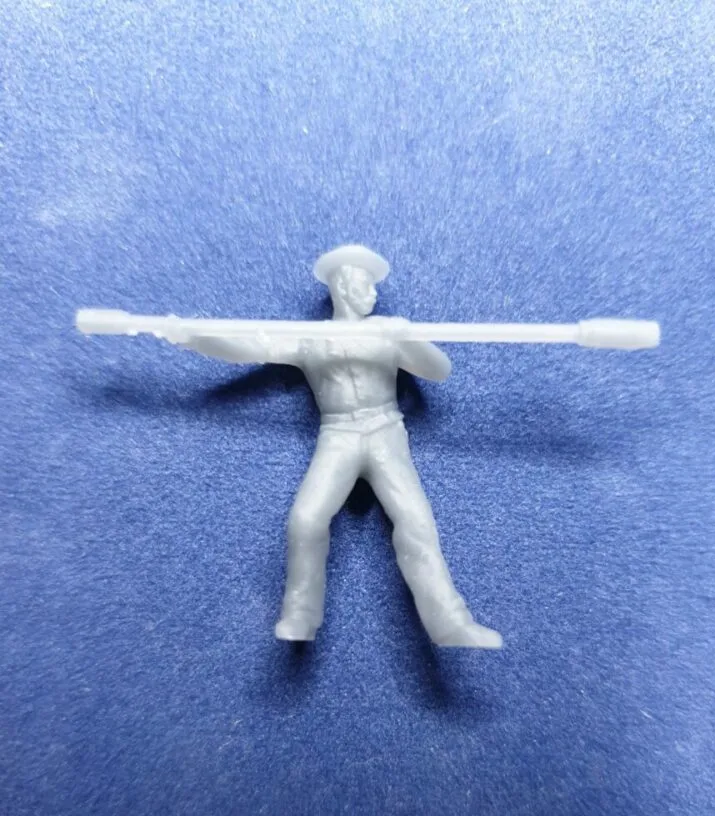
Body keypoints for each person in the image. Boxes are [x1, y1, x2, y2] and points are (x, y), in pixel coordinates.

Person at [176, 245, 501, 648]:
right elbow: (250, 348)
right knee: (305, 519)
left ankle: (451, 624)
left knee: (416, 522)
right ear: (343, 288)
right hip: (338, 434)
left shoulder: (386, 331)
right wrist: (194, 337)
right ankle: (300, 614)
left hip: (385, 429)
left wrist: (409, 338)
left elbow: (439, 371)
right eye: (365, 285)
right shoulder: (312, 339)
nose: (373, 294)